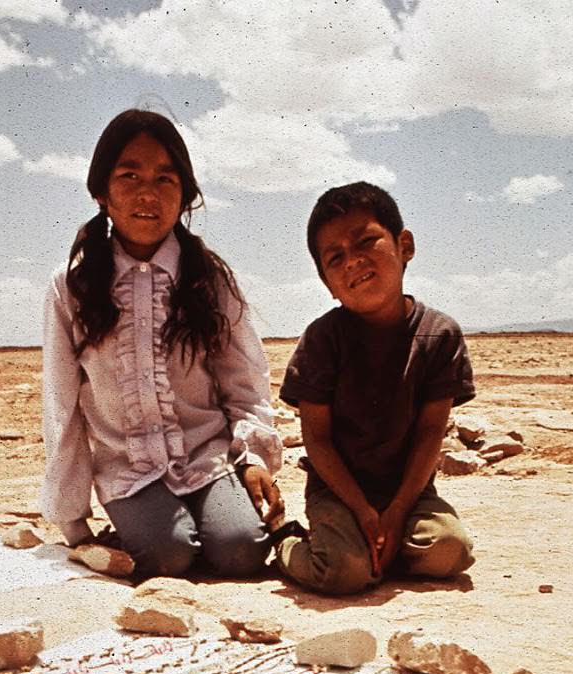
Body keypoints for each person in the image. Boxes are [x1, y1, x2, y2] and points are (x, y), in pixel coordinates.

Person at [41, 109, 283, 582]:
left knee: (242, 552)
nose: (147, 193)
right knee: (169, 557)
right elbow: (61, 404)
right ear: (101, 193)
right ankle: (136, 531)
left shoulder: (210, 280)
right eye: (129, 175)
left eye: (165, 179)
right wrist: (72, 518)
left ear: (185, 195)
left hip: (205, 457)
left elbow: (247, 382)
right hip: (127, 468)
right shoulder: (70, 287)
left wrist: (252, 458)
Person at [275, 182, 476, 596]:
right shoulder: (322, 340)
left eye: (367, 241)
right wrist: (364, 512)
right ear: (326, 282)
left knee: (449, 550)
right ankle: (285, 542)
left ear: (405, 246)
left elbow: (430, 433)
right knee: (344, 573)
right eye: (336, 258)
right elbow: (318, 438)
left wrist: (399, 509)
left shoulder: (438, 335)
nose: (354, 261)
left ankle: (379, 550)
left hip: (409, 491)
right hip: (340, 491)